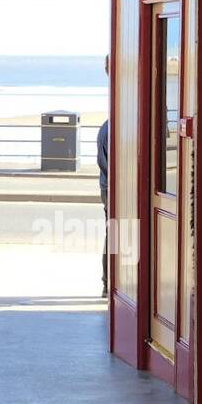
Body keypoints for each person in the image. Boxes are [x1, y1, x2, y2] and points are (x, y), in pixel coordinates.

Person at [97, 59, 110, 297]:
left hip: (107, 187)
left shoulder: (107, 127)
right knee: (121, 236)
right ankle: (110, 283)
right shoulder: (114, 129)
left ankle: (108, 283)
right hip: (113, 189)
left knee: (115, 235)